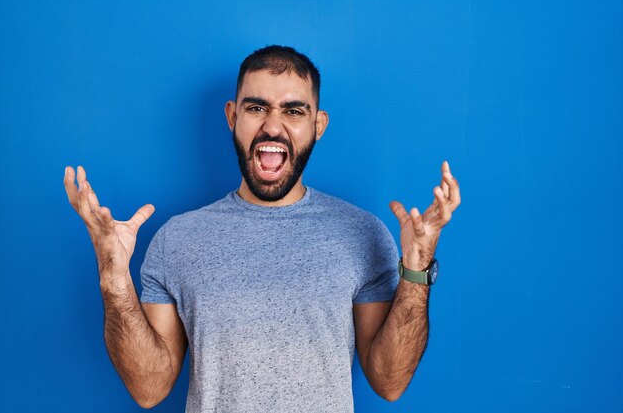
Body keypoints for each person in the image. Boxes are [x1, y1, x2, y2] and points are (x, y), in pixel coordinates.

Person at [64, 45, 460, 412]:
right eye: (257, 108)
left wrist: (417, 266)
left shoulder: (362, 233)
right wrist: (113, 276)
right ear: (233, 116)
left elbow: (389, 382)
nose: (273, 127)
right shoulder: (176, 240)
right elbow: (148, 389)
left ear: (318, 125)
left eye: (293, 111)